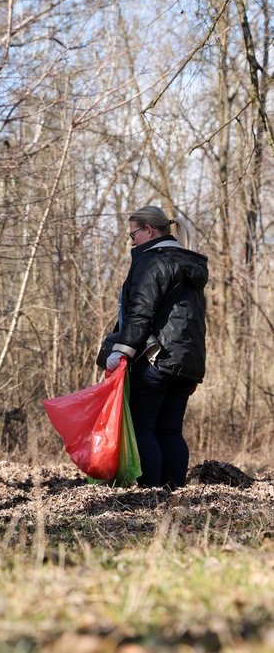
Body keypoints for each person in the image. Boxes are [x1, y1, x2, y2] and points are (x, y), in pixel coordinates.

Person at [103, 206, 208, 489]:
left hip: (155, 360)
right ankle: (173, 493)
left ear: (149, 230)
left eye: (133, 234)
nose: (132, 241)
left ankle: (152, 494)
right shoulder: (190, 264)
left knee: (143, 427)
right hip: (187, 362)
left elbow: (140, 313)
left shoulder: (152, 262)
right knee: (171, 430)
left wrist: (119, 350)